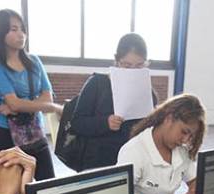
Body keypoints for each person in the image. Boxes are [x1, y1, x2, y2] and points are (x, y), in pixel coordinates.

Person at [0, 9, 61, 181]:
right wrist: (50, 107)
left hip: (35, 131)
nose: (21, 35)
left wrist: (17, 105)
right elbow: (17, 104)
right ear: (0, 32)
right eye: (13, 29)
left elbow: (46, 98)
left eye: (22, 29)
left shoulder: (34, 61)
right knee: (12, 187)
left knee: (48, 184)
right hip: (6, 133)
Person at [67, 33, 158, 172]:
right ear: (116, 61)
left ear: (147, 63)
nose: (132, 72)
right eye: (127, 66)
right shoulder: (97, 84)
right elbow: (77, 123)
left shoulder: (148, 93)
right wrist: (105, 122)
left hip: (134, 161)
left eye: (139, 66)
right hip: (98, 161)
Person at [116, 93, 205, 194]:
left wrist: (193, 191)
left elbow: (195, 180)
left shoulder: (180, 151)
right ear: (168, 118)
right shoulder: (134, 151)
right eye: (184, 132)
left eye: (190, 136)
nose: (185, 140)